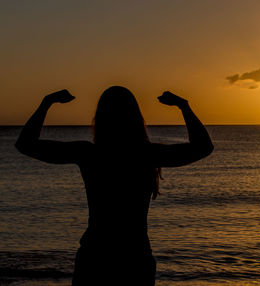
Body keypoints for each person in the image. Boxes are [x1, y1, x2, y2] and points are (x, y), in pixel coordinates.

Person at [15, 86, 214, 285]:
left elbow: (25, 144)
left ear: (100, 119)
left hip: (95, 257)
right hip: (134, 258)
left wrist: (47, 103)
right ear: (136, 119)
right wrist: (183, 107)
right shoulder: (147, 155)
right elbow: (203, 147)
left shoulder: (90, 154)